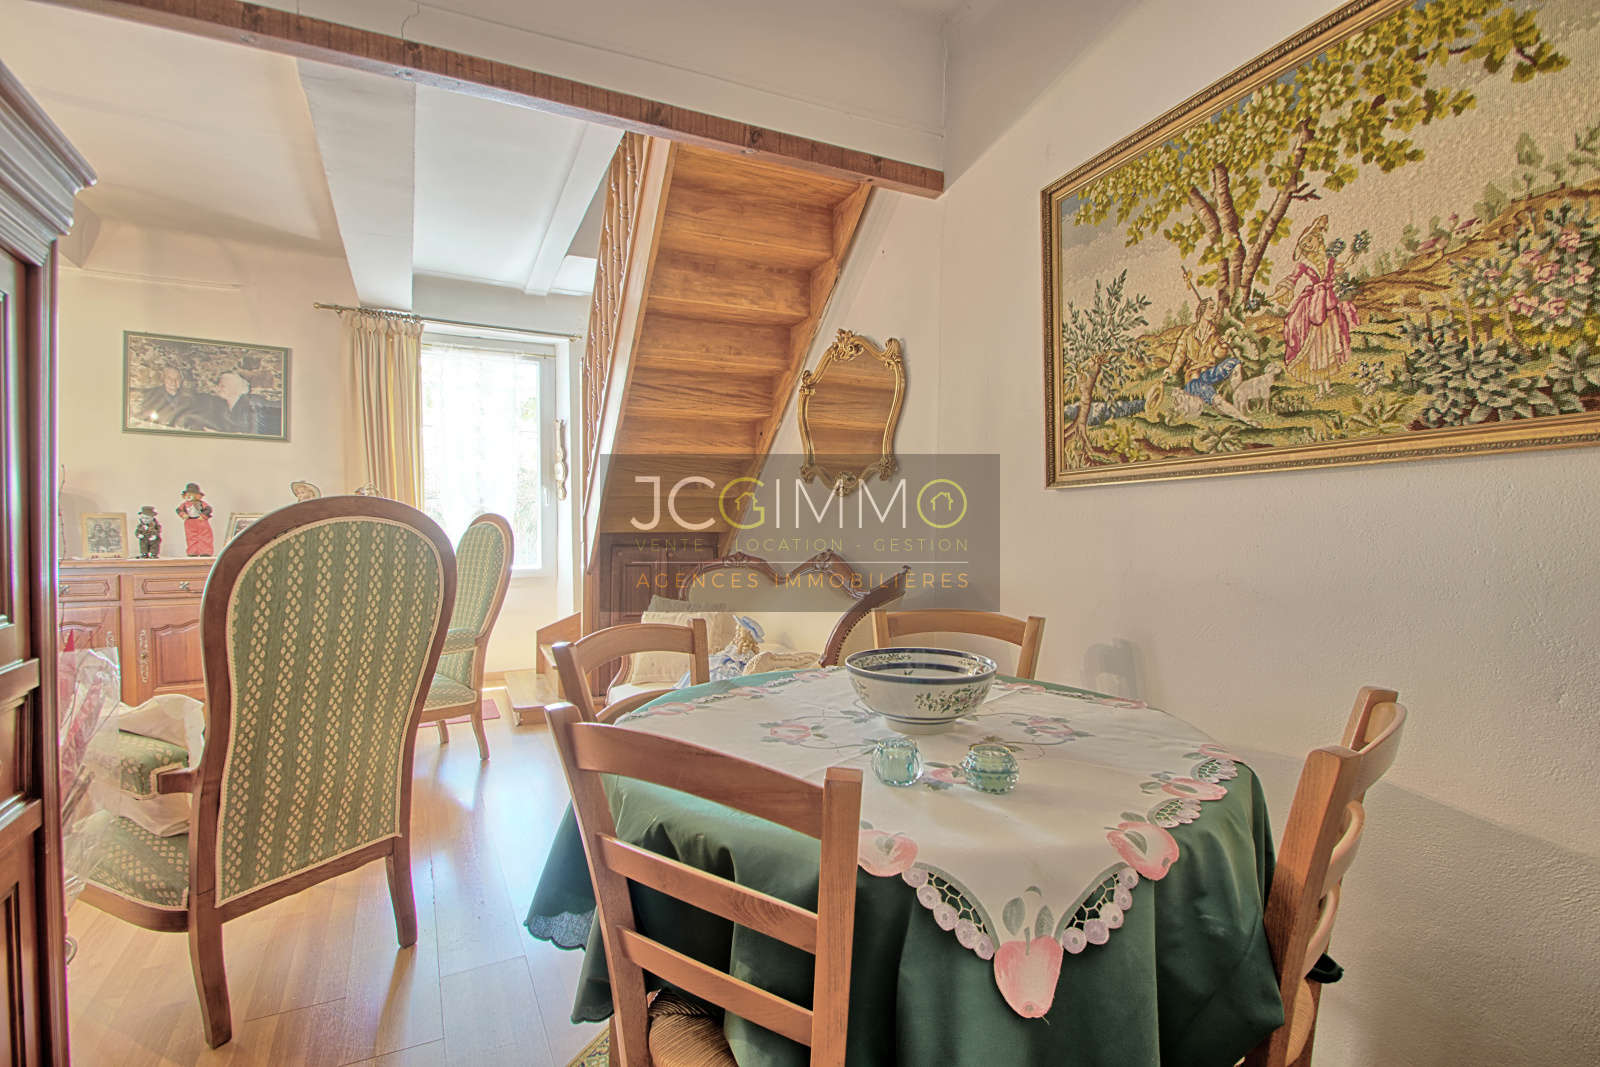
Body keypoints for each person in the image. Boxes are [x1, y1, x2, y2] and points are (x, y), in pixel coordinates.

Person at [1278, 215, 1360, 398]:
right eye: (1304, 244)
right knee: (1317, 347)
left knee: (1329, 345)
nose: (1308, 246)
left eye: (1309, 240)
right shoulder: (1304, 264)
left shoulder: (1329, 259)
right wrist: (1276, 295)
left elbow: (1342, 267)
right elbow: (1291, 280)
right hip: (1316, 307)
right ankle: (1320, 389)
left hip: (1329, 306)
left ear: (1318, 237)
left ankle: (1327, 387)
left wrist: (1354, 253)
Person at [136, 365, 201, 427]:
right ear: (162, 378)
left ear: (181, 380)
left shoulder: (190, 396)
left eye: (177, 379)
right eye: (169, 378)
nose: (173, 382)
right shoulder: (151, 394)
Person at [175, 483, 213, 557]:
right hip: (189, 522)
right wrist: (183, 515)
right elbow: (179, 510)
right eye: (187, 493)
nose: (189, 495)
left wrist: (203, 516)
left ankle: (205, 551)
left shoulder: (202, 503)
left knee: (204, 536)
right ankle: (192, 551)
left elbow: (208, 509)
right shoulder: (184, 504)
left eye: (191, 493)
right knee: (191, 537)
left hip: (200, 521)